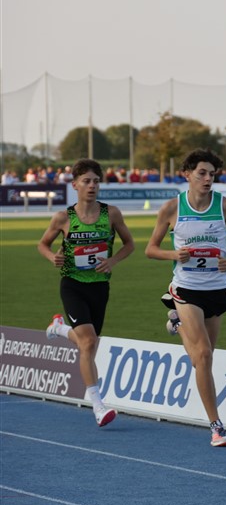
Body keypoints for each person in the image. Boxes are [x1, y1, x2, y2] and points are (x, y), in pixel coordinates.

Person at [145, 148, 226, 447]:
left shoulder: (225, 206)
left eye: (212, 174)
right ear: (187, 174)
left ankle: (177, 325)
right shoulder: (172, 208)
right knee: (203, 354)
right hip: (187, 289)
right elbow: (150, 249)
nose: (208, 179)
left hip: (217, 289)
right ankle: (216, 426)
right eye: (202, 173)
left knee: (201, 361)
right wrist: (173, 254)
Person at [40, 159, 135, 427]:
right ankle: (98, 406)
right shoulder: (63, 218)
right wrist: (52, 257)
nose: (92, 186)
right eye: (86, 181)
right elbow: (43, 244)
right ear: (75, 185)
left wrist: (112, 261)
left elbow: (129, 244)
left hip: (100, 286)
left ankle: (59, 329)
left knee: (88, 343)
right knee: (89, 342)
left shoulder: (111, 214)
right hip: (72, 284)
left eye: (96, 181)